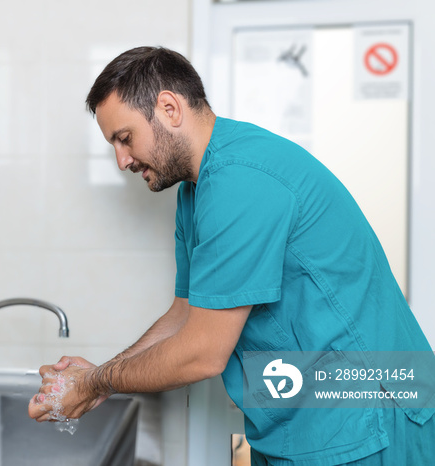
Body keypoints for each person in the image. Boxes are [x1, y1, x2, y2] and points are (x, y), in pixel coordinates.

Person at [27, 46, 434, 465]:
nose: (121, 160)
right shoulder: (194, 191)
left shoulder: (240, 181)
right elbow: (184, 315)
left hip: (368, 420)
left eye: (125, 139)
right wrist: (100, 377)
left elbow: (202, 352)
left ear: (169, 108)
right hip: (306, 423)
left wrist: (94, 383)